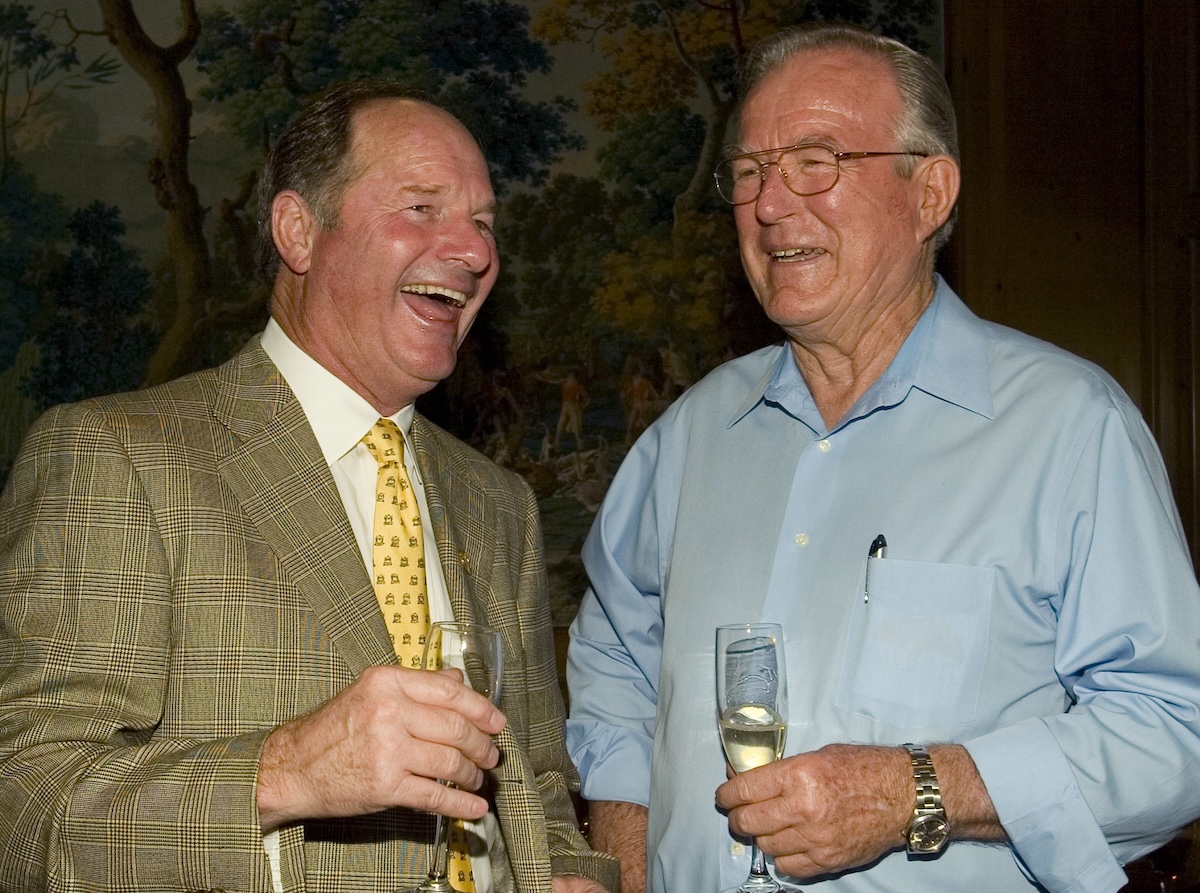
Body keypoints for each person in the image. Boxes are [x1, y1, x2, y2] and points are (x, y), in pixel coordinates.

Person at [566, 21, 1200, 893]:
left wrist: (918, 789)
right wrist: (627, 862)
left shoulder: (1068, 429)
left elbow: (1176, 731)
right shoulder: (690, 436)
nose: (771, 204)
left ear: (930, 192)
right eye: (748, 172)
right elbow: (615, 659)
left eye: (816, 161)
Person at [0, 80, 618, 893]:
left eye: (484, 223)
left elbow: (535, 781)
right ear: (298, 229)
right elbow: (25, 802)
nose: (473, 251)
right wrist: (284, 769)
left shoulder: (498, 501)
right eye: (423, 208)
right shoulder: (115, 456)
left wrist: (573, 875)